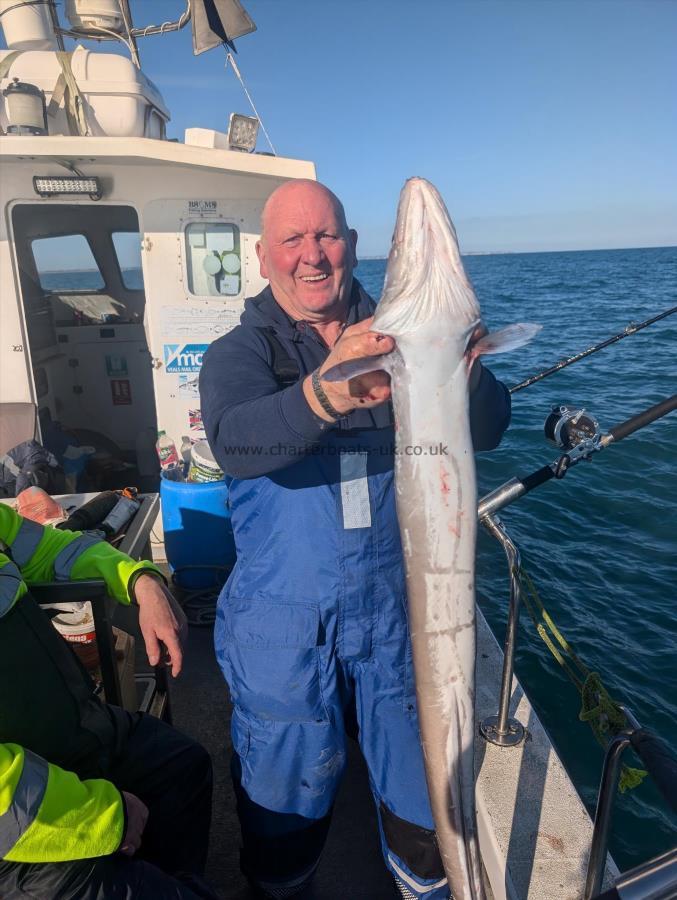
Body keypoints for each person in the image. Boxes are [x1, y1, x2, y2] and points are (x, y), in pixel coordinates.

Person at [200, 179, 511, 900]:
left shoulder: (403, 331)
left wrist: (461, 368)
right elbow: (234, 444)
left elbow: (491, 427)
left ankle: (424, 884)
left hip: (394, 617)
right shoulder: (238, 353)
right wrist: (328, 390)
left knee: (420, 793)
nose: (312, 256)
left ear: (351, 245)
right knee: (286, 792)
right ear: (264, 256)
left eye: (327, 236)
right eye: (293, 240)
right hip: (284, 622)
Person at [0, 501, 218, 899]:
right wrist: (107, 814)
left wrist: (140, 580)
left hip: (68, 737)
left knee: (182, 766)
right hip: (19, 832)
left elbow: (55, 549)